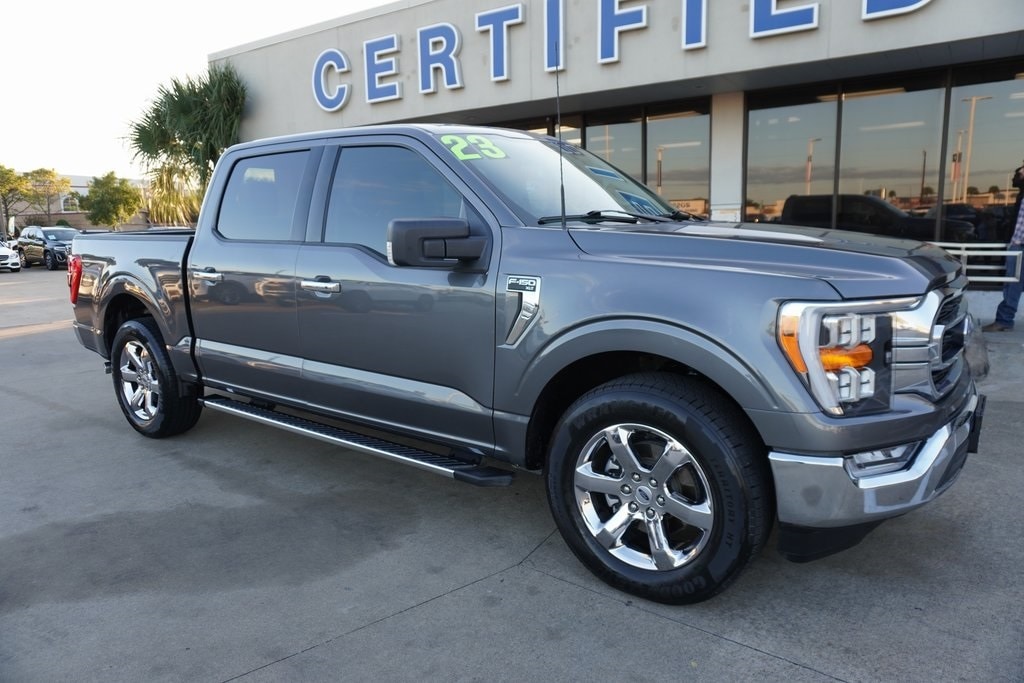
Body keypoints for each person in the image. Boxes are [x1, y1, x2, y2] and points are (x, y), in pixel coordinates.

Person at [982, 162, 1024, 332]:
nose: (1020, 174)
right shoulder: (1022, 192)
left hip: (1019, 246)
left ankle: (1004, 320)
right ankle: (1004, 320)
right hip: (1018, 245)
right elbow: (1016, 181)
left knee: (1013, 284)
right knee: (1012, 284)